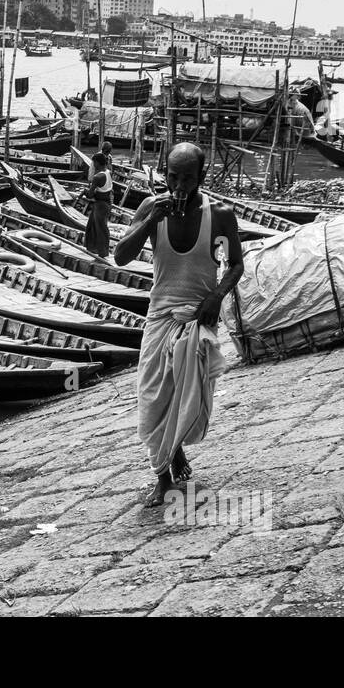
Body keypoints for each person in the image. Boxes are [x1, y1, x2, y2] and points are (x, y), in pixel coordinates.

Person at [115, 143, 243, 509]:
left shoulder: (219, 214)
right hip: (160, 316)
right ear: (164, 174)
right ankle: (163, 476)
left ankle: (175, 451)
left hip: (198, 317)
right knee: (154, 396)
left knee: (187, 396)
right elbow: (120, 256)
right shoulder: (150, 207)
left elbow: (235, 264)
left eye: (188, 178)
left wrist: (216, 297)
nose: (179, 186)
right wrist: (149, 221)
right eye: (173, 177)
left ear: (202, 177)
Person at [83, 149, 114, 258]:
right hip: (107, 203)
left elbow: (90, 195)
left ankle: (102, 254)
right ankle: (97, 251)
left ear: (96, 163)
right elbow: (104, 189)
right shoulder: (108, 172)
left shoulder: (98, 177)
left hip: (100, 206)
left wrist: (85, 191)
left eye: (93, 162)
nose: (93, 165)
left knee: (100, 230)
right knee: (97, 228)